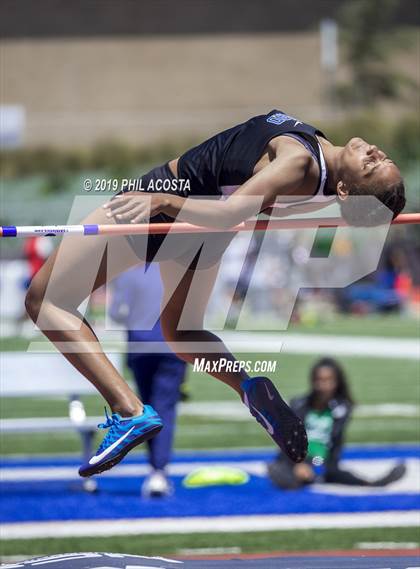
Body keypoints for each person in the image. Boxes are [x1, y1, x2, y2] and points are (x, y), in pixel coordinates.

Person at [24, 108, 406, 478]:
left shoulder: (300, 163)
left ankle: (128, 410)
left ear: (344, 188)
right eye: (381, 156)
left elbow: (229, 213)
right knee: (181, 334)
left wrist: (160, 200)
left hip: (168, 204)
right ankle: (247, 386)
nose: (374, 152)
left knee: (45, 300)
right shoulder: (320, 180)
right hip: (201, 228)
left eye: (372, 166)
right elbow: (262, 209)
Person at [267, 357, 406, 489]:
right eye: (319, 380)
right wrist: (300, 463)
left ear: (337, 381)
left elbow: (333, 446)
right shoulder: (298, 404)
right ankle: (294, 478)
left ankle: (371, 484)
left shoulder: (342, 409)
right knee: (285, 467)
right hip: (297, 457)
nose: (323, 385)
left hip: (321, 461)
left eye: (328, 380)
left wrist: (317, 466)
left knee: (335, 473)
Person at [109, 263, 186, 497]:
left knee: (146, 409)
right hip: (172, 347)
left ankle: (155, 469)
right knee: (165, 408)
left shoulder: (129, 273)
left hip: (141, 345)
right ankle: (159, 470)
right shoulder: (178, 271)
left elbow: (115, 313)